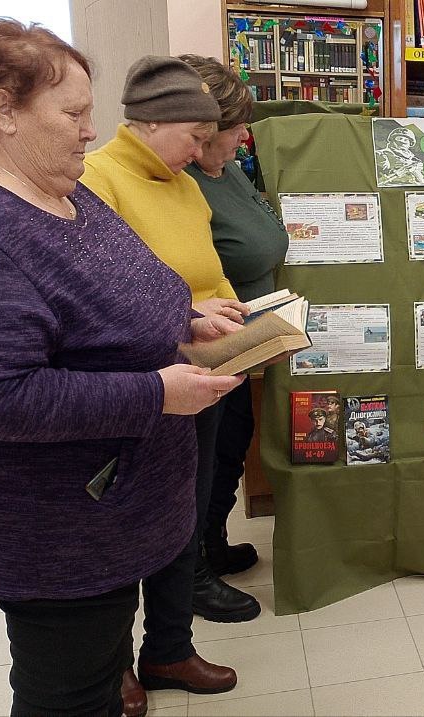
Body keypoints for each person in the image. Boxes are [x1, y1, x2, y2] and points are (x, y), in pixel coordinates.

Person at [0, 19, 242, 715]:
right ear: (5, 111)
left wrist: (182, 318)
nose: (92, 131)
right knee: (68, 695)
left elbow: (113, 294)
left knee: (93, 670)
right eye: (73, 114)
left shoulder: (64, 189)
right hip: (52, 532)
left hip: (107, 514)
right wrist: (154, 394)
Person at [80, 55, 260, 714]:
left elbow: (208, 274)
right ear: (153, 122)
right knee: (125, 528)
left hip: (202, 374)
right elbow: (99, 300)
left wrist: (245, 326)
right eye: (195, 135)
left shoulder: (184, 184)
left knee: (184, 512)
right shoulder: (97, 180)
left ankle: (169, 647)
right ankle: (113, 666)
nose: (202, 149)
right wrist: (187, 320)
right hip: (140, 386)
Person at [178, 54, 290, 579]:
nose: (245, 137)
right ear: (203, 130)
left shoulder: (228, 172)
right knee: (205, 458)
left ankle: (213, 543)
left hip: (242, 348)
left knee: (230, 449)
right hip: (206, 350)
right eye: (236, 127)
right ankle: (195, 567)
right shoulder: (184, 183)